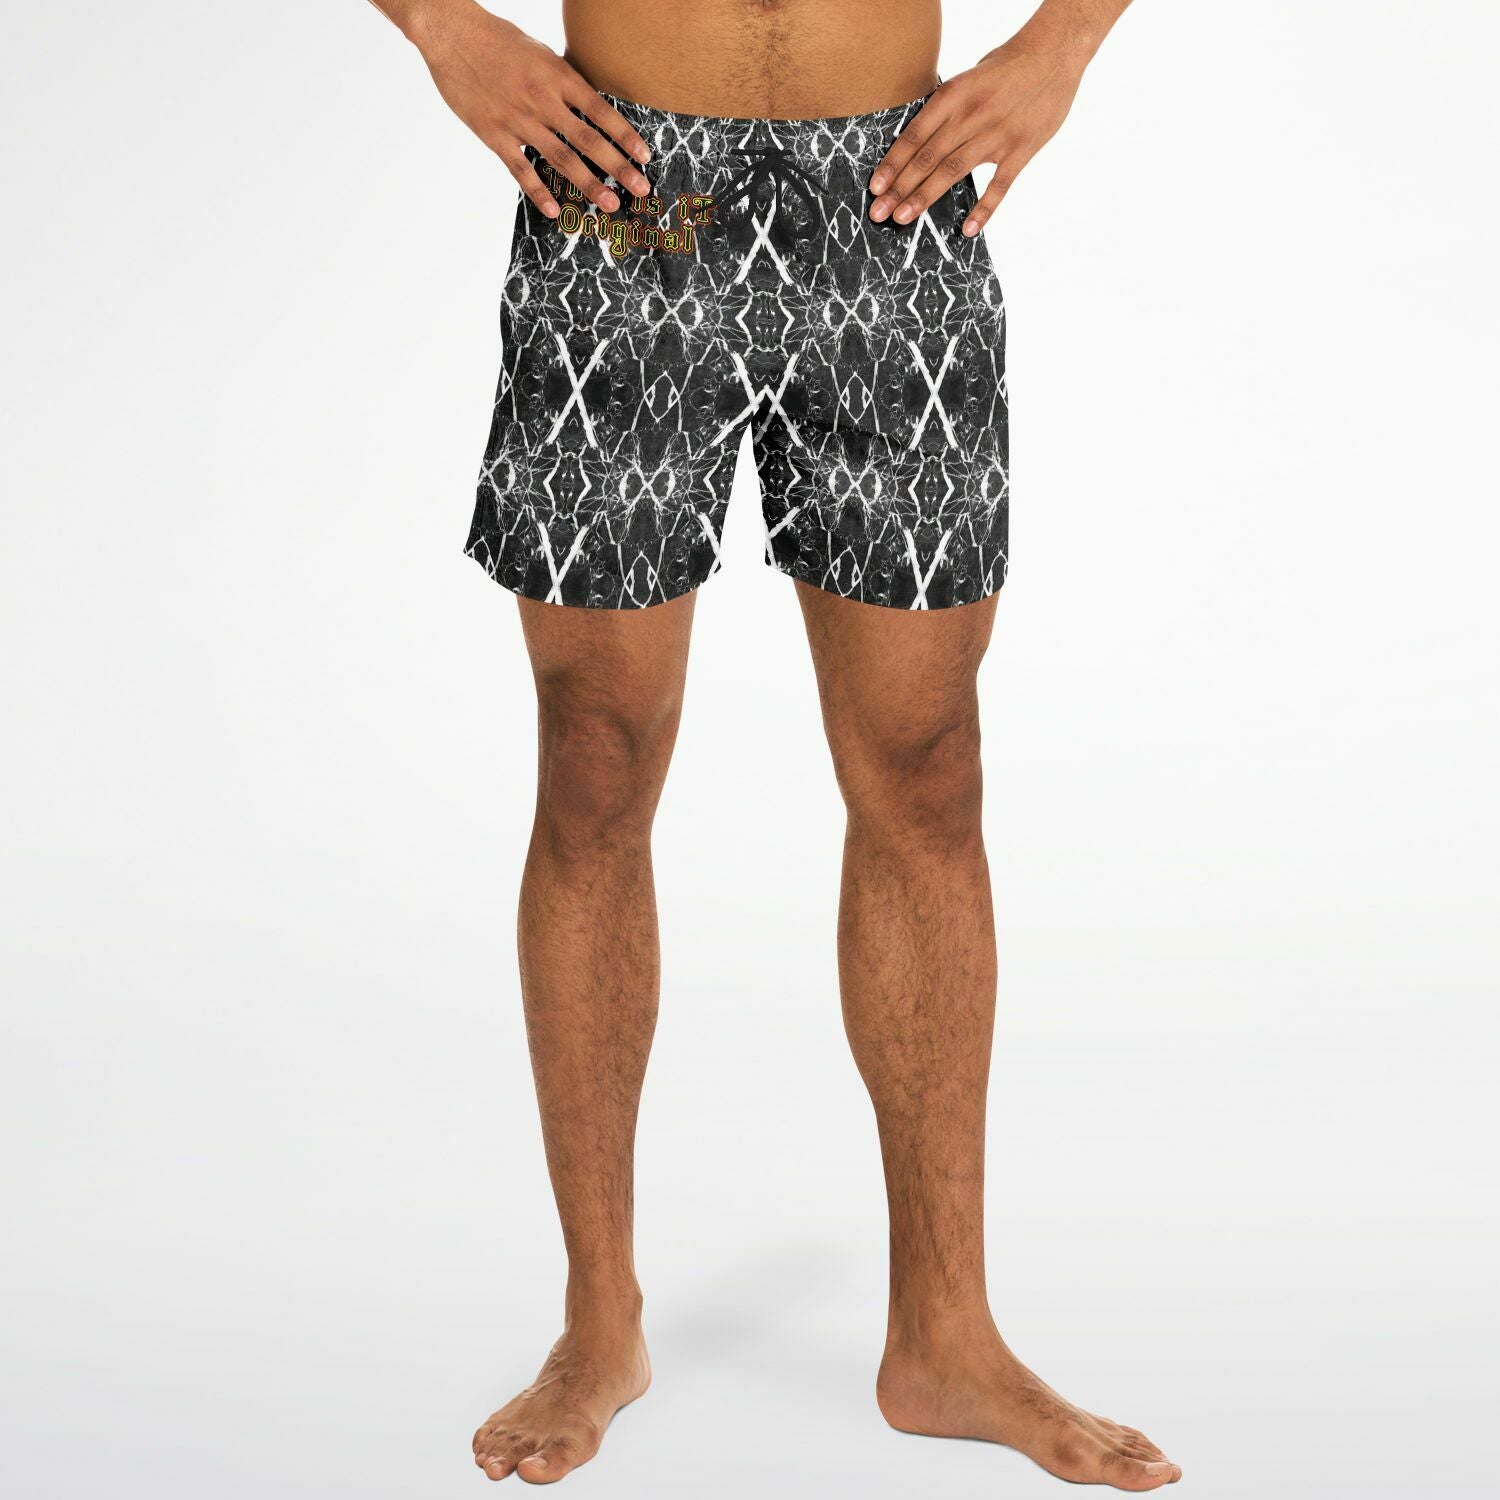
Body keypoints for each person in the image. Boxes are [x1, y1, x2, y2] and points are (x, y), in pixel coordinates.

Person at [369, 0, 1180, 1487]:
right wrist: (441, 29)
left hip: (893, 194)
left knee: (926, 768)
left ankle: (944, 1335)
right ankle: (599, 1321)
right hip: (623, 193)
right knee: (595, 757)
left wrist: (1062, 43)